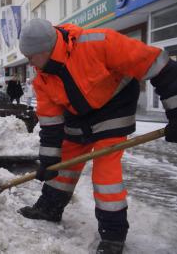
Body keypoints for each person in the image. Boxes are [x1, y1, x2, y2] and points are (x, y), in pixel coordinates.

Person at [17, 18, 177, 254]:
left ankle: (113, 235)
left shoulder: (99, 43)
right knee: (62, 164)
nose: (29, 63)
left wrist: (175, 112)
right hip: (77, 114)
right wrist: (49, 160)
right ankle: (49, 208)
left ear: (45, 49)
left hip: (113, 108)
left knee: (105, 176)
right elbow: (50, 122)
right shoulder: (43, 78)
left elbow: (160, 65)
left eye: (30, 57)